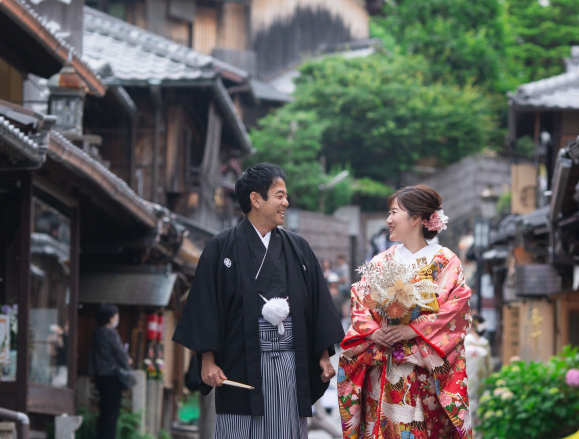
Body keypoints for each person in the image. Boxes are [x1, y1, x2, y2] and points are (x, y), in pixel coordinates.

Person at [172, 163, 344, 438]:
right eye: (279, 195)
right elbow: (205, 307)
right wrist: (207, 359)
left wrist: (323, 356)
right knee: (238, 427)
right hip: (239, 362)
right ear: (255, 199)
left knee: (284, 428)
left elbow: (317, 304)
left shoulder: (298, 248)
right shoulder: (221, 247)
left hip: (290, 361)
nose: (286, 202)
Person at [338, 185, 473, 438]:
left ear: (416, 218)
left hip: (423, 372)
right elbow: (360, 303)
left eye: (394, 212)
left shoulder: (446, 261)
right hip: (383, 372)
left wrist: (411, 329)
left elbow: (457, 311)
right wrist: (372, 331)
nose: (388, 220)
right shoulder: (381, 261)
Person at [89, 304, 132, 439]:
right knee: (112, 413)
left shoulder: (97, 333)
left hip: (100, 376)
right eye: (116, 315)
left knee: (103, 411)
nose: (117, 318)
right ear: (110, 317)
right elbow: (120, 354)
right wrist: (128, 360)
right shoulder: (110, 333)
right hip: (113, 377)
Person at [465, 315, 493, 435]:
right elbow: (490, 366)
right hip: (480, 382)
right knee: (480, 410)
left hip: (466, 380)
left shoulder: (464, 340)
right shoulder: (484, 343)